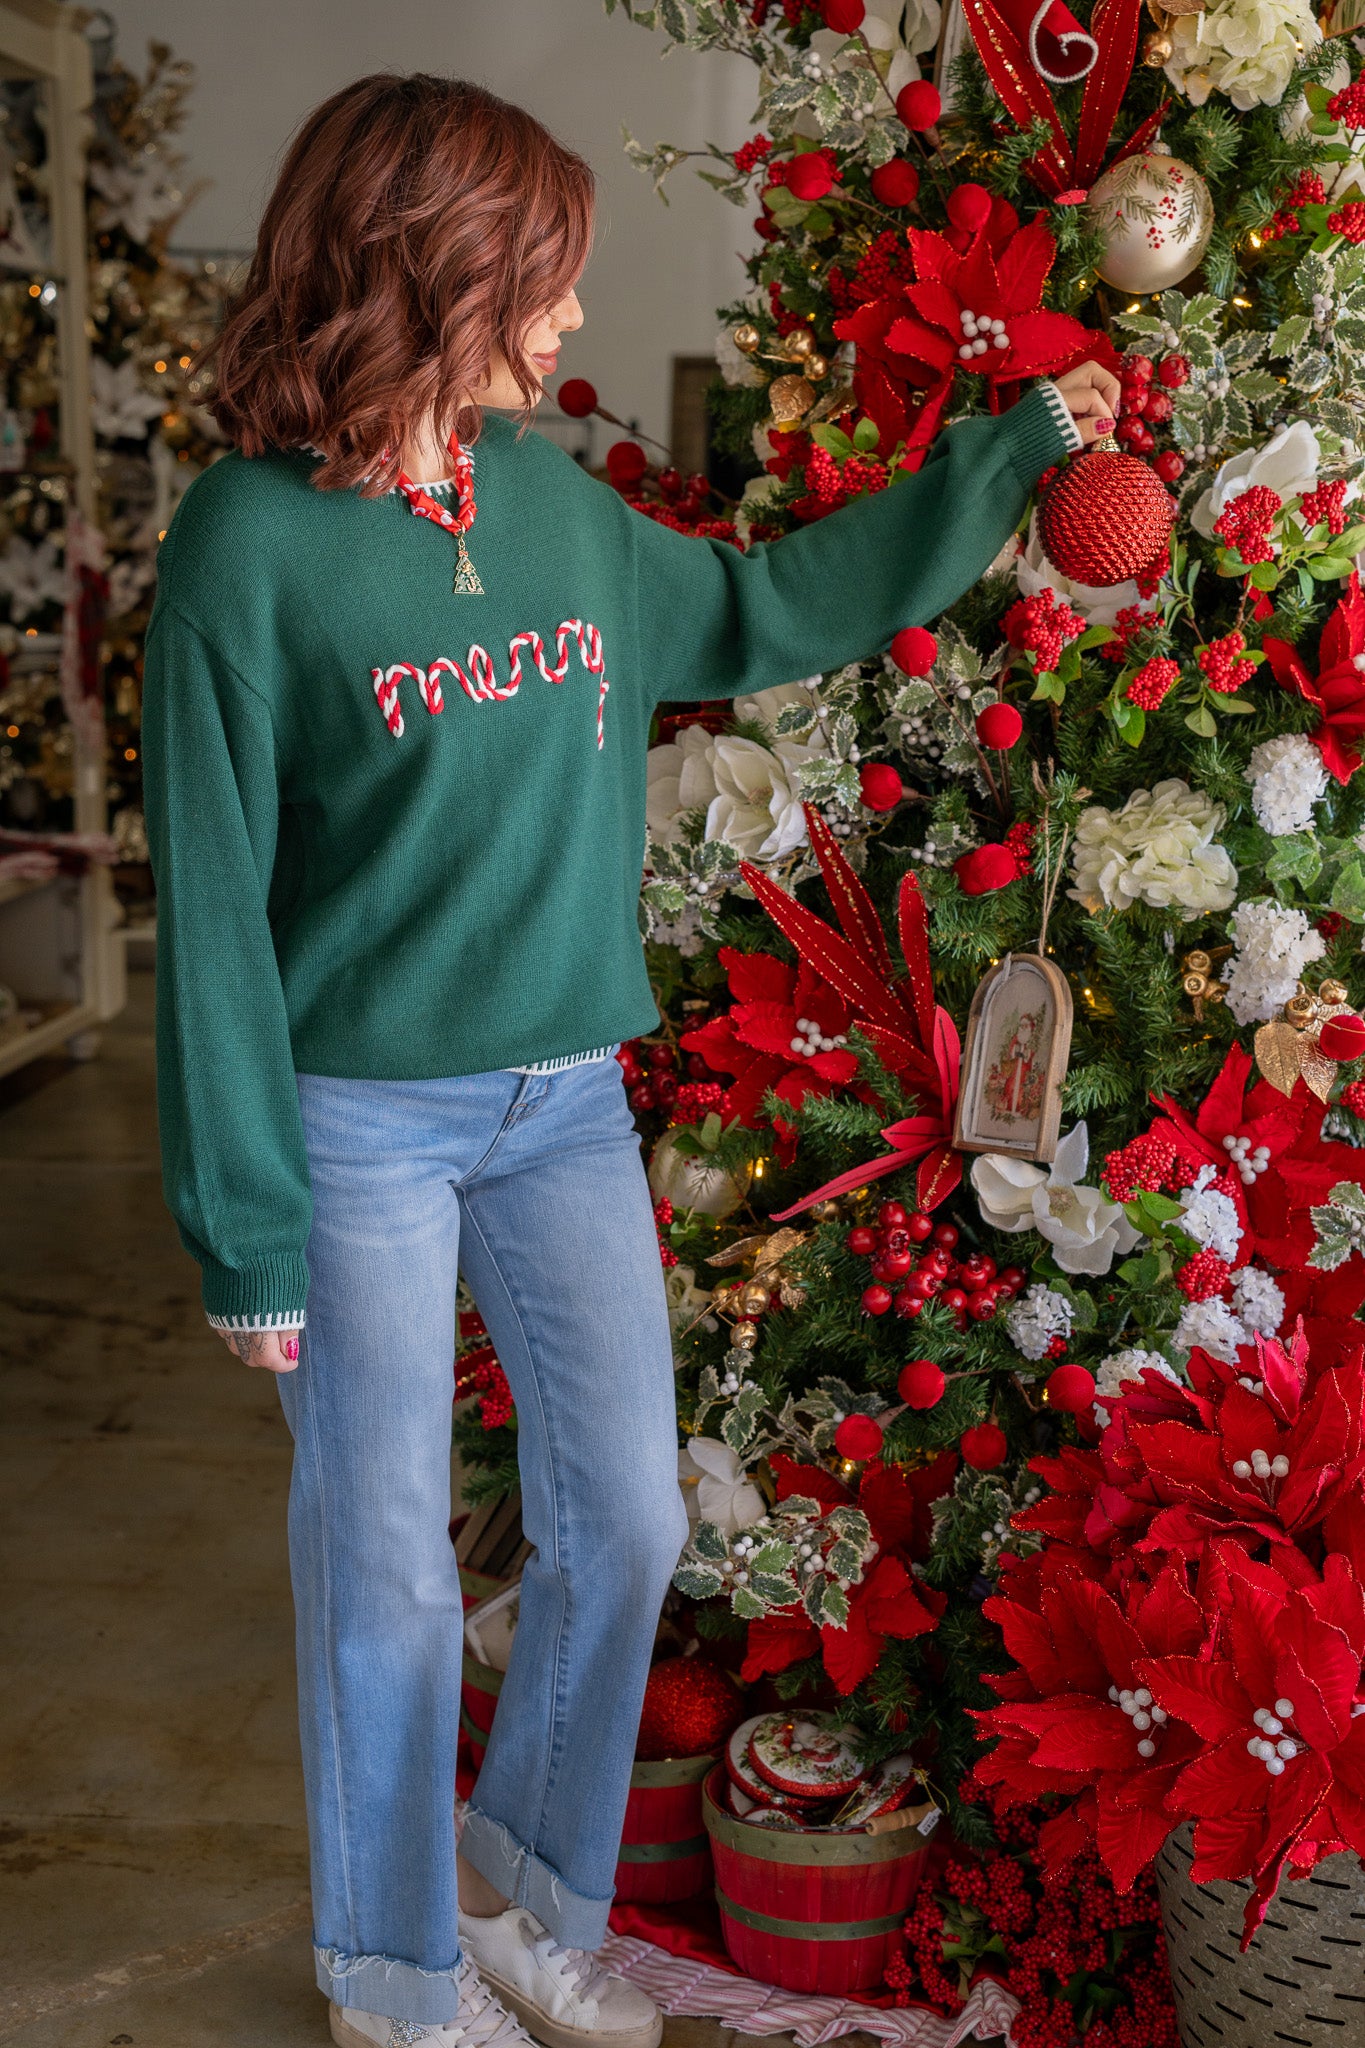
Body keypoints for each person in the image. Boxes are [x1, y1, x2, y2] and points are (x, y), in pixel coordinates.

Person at [141, 70, 1119, 2048]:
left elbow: (766, 608)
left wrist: (1006, 460)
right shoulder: (247, 548)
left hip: (564, 1097)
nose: (574, 316)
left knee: (628, 1517)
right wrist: (243, 1220)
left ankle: (514, 1891)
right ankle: (393, 1975)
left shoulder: (554, 512)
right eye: (544, 278)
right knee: (388, 1571)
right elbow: (215, 900)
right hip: (359, 1127)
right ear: (431, 274)